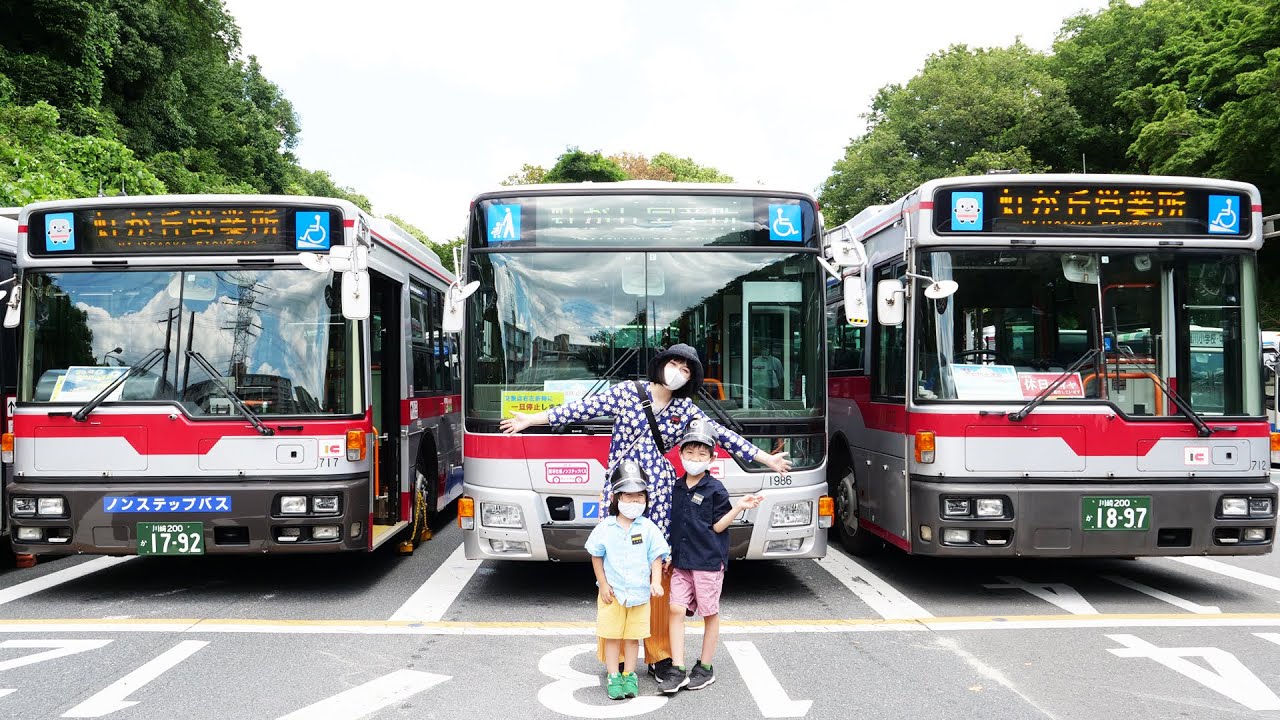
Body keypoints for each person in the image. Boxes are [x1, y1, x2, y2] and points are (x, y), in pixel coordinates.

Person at [500, 343, 792, 683]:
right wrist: (532, 419)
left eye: (686, 370)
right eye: (675, 363)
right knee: (616, 565)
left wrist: (765, 458)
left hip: (661, 497)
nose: (678, 372)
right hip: (623, 491)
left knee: (659, 571)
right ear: (662, 364)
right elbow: (580, 410)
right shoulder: (626, 393)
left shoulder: (685, 409)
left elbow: (721, 434)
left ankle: (659, 655)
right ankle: (611, 651)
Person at [657, 418, 761, 693]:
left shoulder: (715, 489)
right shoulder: (677, 487)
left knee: (709, 613)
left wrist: (738, 507)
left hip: (707, 563)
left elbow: (717, 526)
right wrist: (668, 554)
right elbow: (674, 525)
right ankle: (677, 668)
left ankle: (705, 666)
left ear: (712, 458)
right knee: (676, 608)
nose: (695, 458)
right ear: (680, 454)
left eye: (702, 453)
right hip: (681, 562)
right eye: (690, 452)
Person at [585, 461, 670, 700]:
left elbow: (656, 557)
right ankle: (614, 675)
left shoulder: (649, 528)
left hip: (640, 594)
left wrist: (655, 582)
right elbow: (596, 556)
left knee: (633, 638)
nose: (634, 503)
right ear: (617, 498)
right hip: (612, 594)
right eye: (628, 497)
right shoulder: (606, 527)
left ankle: (630, 675)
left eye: (639, 498)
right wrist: (602, 583)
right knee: (612, 637)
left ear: (646, 500)